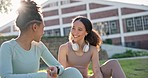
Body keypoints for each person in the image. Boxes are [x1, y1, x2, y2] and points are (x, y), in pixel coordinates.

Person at [0, 0, 83, 78]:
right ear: (35, 27)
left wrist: (56, 70)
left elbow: (59, 66)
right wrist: (40, 76)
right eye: (43, 28)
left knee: (72, 72)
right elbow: (6, 76)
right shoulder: (7, 47)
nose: (43, 32)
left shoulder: (38, 46)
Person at [58, 16, 126, 78]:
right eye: (73, 28)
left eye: (80, 29)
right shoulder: (64, 48)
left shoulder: (92, 49)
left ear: (86, 32)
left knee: (113, 63)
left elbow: (96, 71)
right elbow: (62, 72)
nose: (75, 32)